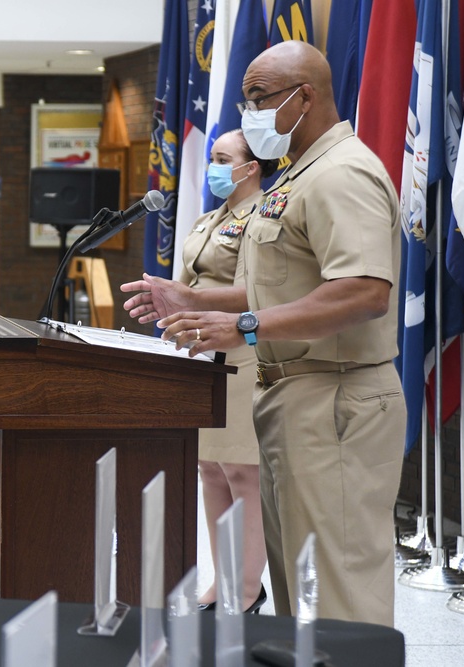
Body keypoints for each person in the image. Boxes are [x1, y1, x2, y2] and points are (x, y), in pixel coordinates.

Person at [121, 41, 404, 627]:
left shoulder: (342, 173)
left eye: (259, 99)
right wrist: (196, 299)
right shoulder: (297, 175)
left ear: (305, 96)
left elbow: (364, 291)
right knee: (299, 590)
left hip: (336, 399)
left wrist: (243, 325)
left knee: (337, 593)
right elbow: (286, 288)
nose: (248, 114)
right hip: (289, 395)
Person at [178, 129, 277, 614]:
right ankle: (222, 582)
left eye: (223, 158)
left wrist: (186, 301)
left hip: (244, 354)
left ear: (251, 166)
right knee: (210, 470)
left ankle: (247, 588)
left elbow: (252, 292)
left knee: (242, 471)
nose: (214, 166)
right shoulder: (206, 219)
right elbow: (187, 281)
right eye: (212, 157)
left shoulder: (264, 217)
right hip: (201, 357)